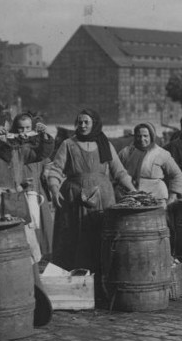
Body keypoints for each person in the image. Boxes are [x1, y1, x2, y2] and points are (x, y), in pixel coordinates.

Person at [46, 109, 135, 273]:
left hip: (103, 197)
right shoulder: (68, 144)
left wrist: (133, 190)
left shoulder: (104, 144)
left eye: (86, 122)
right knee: (74, 237)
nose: (82, 125)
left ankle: (102, 279)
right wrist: (53, 188)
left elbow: (119, 171)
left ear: (94, 123)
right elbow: (56, 170)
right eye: (79, 122)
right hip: (73, 198)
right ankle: (75, 279)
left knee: (101, 236)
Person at [11, 112, 56, 259]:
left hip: (35, 190)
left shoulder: (35, 145)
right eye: (20, 128)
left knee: (39, 224)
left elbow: (44, 154)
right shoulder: (11, 146)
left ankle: (41, 257)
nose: (24, 132)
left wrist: (44, 136)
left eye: (27, 128)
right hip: (18, 191)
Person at [117, 122, 182, 204]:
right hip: (130, 198)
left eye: (145, 136)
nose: (142, 139)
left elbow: (177, 175)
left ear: (152, 136)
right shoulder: (125, 153)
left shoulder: (161, 153)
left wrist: (173, 196)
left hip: (156, 198)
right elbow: (116, 172)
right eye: (139, 136)